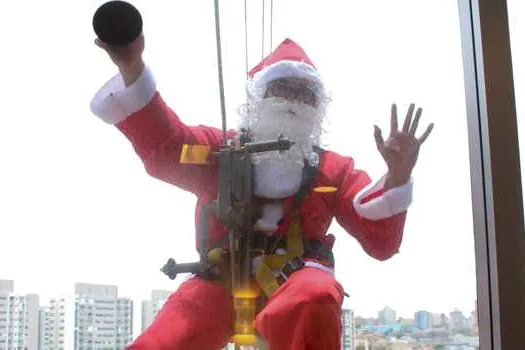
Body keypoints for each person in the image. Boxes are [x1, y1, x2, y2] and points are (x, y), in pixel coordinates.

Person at [90, 33, 433, 350]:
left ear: (318, 106)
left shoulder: (334, 170)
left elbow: (380, 242)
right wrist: (132, 68)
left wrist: (396, 178)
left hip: (297, 280)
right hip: (221, 279)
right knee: (166, 340)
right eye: (282, 88)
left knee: (315, 297)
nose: (293, 100)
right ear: (261, 97)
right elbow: (169, 146)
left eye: (304, 93)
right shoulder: (219, 153)